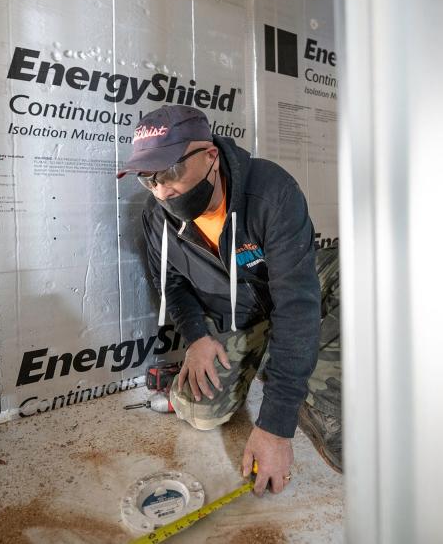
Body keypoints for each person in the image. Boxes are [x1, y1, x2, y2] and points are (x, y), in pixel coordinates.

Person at [116, 105, 342, 496]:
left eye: (169, 172)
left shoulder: (272, 191)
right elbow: (171, 283)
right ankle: (279, 357)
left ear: (210, 156)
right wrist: (198, 338)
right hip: (241, 316)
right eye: (148, 179)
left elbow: (297, 305)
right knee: (199, 411)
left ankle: (308, 381)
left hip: (290, 291)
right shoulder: (157, 216)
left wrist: (275, 425)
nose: (161, 190)